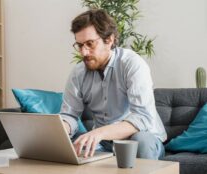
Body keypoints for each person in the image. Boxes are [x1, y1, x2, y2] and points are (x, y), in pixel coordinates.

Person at [60, 9, 167, 160]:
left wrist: (98, 133)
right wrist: (59, 130)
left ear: (109, 40)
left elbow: (142, 118)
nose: (83, 52)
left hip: (142, 138)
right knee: (77, 149)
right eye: (79, 45)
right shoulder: (79, 73)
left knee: (140, 141)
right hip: (104, 143)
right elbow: (69, 115)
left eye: (90, 44)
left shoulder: (132, 64)